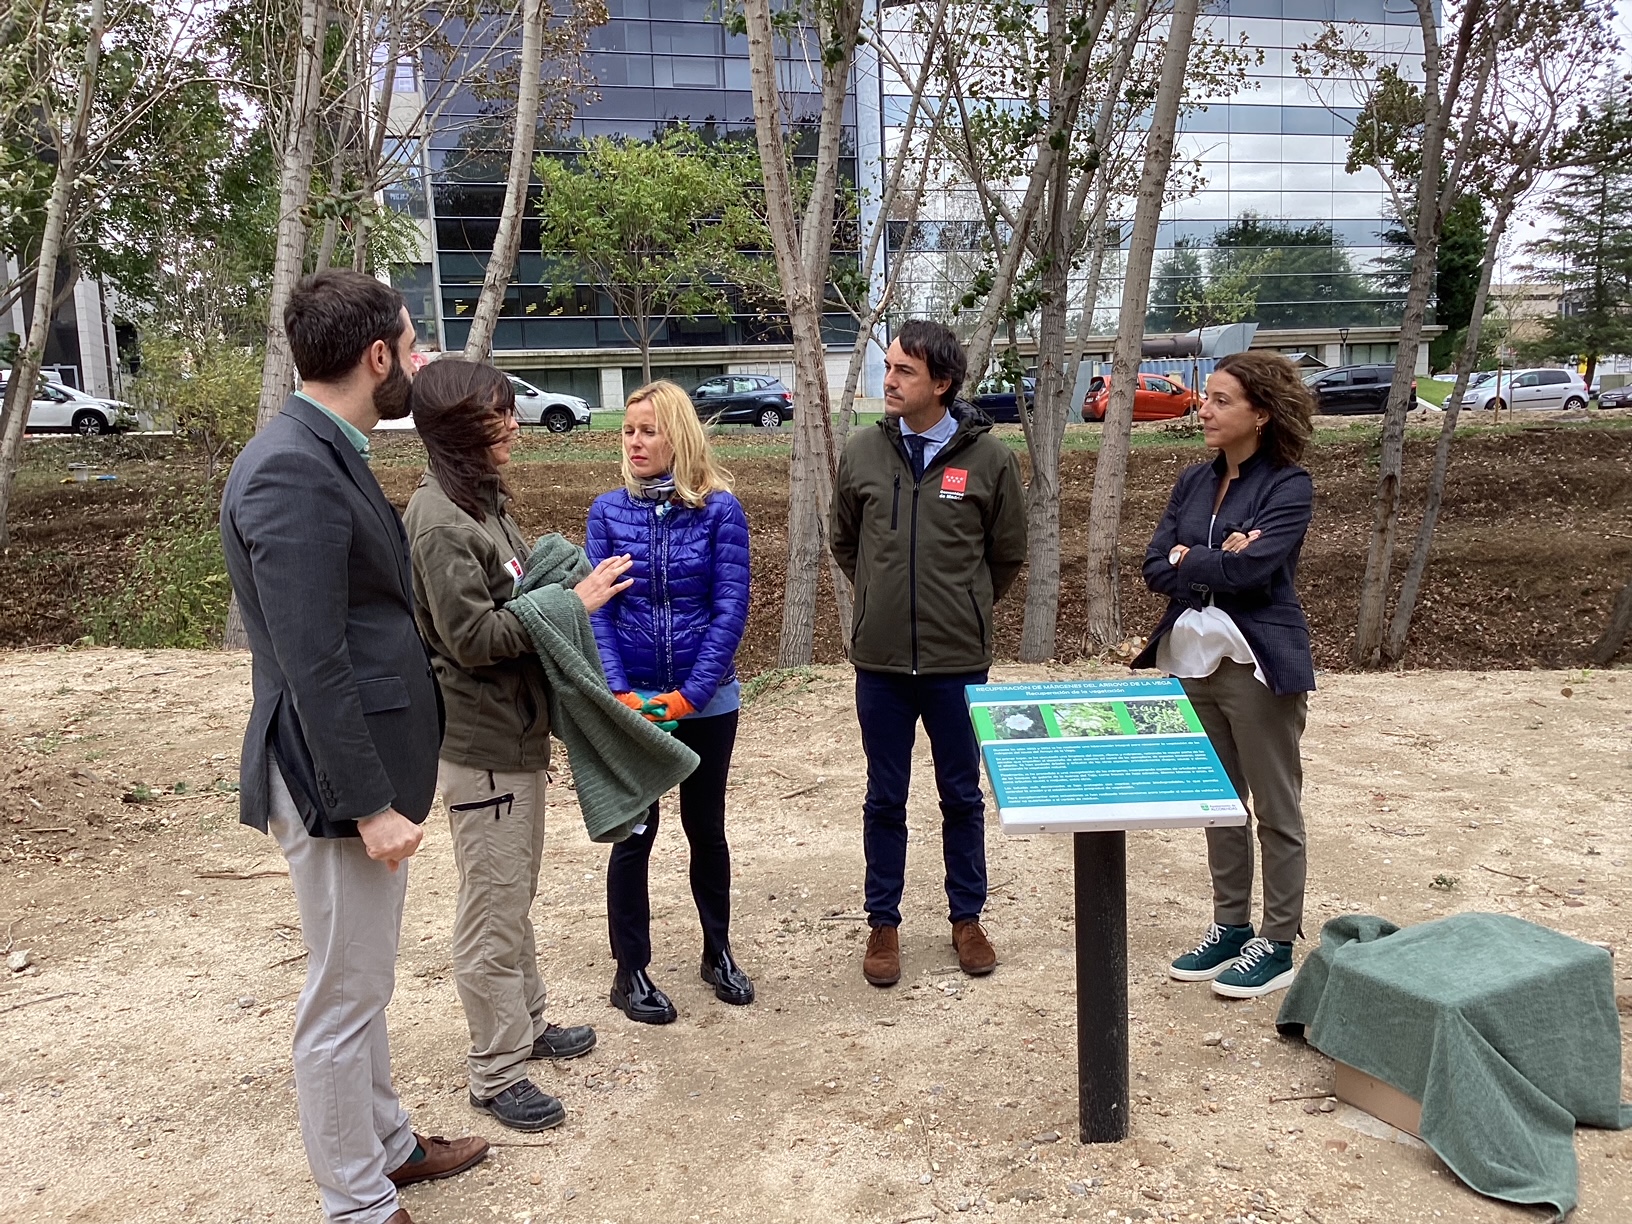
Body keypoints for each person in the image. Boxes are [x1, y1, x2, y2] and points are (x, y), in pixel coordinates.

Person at [220, 269, 488, 1224]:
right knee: (344, 997)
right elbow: (311, 662)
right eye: (412, 348)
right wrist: (368, 802)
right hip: (338, 783)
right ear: (377, 357)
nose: (418, 363)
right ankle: (358, 1203)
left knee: (364, 980)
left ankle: (388, 1146)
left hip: (363, 773)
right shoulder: (293, 466)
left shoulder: (325, 449)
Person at [403, 359, 634, 1131]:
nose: (512, 425)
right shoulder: (439, 522)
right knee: (492, 909)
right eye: (495, 416)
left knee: (515, 894)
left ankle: (528, 1028)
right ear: (458, 432)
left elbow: (515, 588)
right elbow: (471, 637)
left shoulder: (483, 503)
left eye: (508, 412)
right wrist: (571, 600)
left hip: (515, 733)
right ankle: (495, 1071)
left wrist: (558, 585)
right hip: (483, 743)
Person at [829, 320, 1028, 988]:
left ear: (941, 383)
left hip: (956, 664)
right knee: (884, 796)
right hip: (880, 664)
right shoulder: (861, 451)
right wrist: (883, 601)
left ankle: (965, 918)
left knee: (960, 794)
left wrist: (959, 607)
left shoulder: (990, 461)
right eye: (887, 368)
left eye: (904, 372)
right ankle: (882, 923)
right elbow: (846, 542)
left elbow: (1005, 556)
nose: (888, 381)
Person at [1132, 349, 1317, 1000]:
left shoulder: (1289, 486)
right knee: (1218, 804)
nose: (1204, 409)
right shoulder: (1191, 482)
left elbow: (1255, 572)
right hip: (1191, 664)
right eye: (1205, 398)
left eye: (1220, 400)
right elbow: (1155, 566)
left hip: (1256, 667)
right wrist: (1212, 554)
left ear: (1261, 413)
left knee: (1276, 808)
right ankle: (1232, 925)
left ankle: (1279, 939)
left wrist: (1196, 558)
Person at [584, 380, 752, 1025]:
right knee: (634, 832)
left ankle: (717, 952)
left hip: (704, 702)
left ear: (677, 436)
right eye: (628, 431)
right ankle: (631, 972)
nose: (635, 442)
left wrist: (690, 695)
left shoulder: (719, 512)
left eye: (647, 430)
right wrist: (622, 692)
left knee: (704, 829)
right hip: (632, 701)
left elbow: (728, 608)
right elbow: (598, 609)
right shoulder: (607, 511)